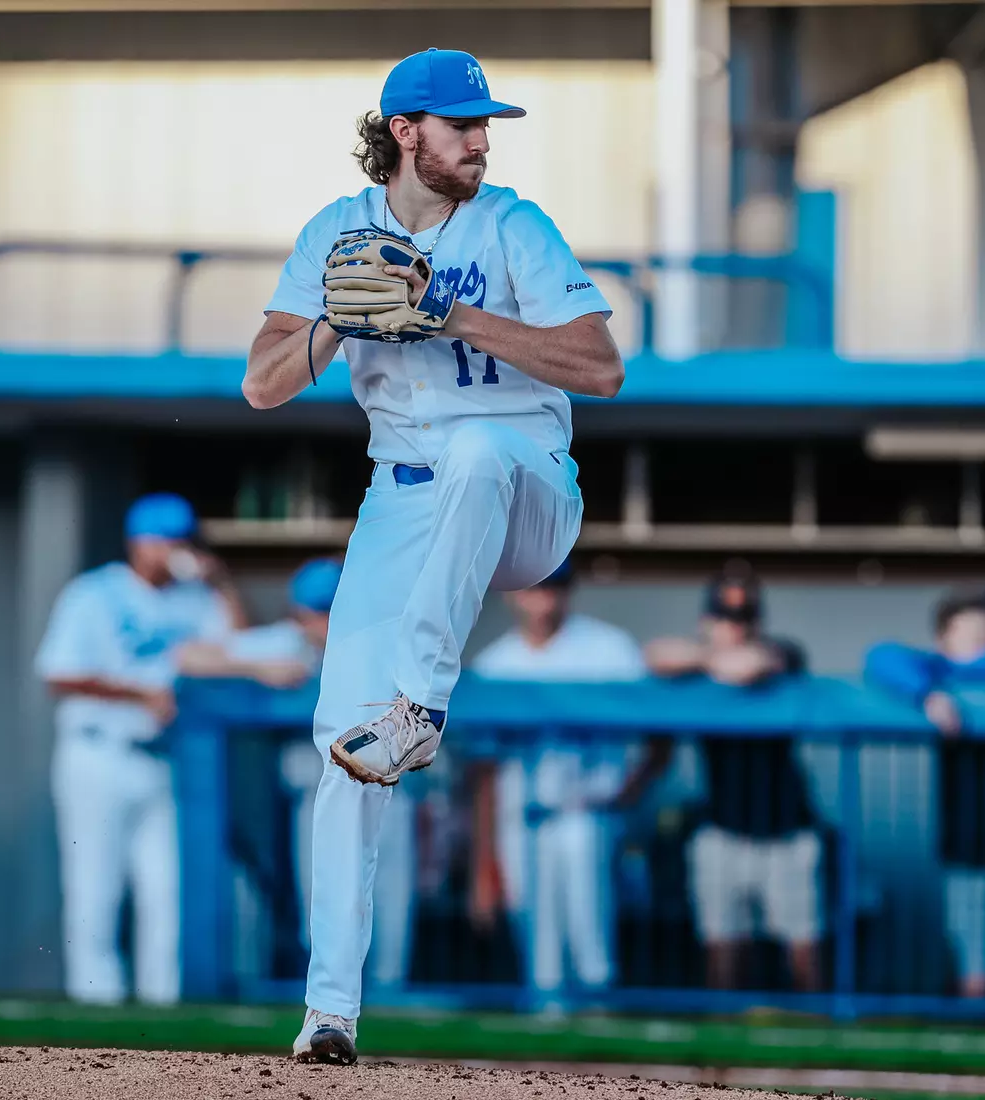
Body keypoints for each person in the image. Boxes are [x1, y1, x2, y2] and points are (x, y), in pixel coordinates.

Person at [242, 47, 622, 1062]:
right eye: (462, 124)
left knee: (476, 446)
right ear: (405, 131)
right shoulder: (336, 229)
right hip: (403, 501)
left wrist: (451, 313)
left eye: (485, 124)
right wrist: (334, 323)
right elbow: (262, 386)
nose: (481, 141)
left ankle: (423, 703)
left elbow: (601, 366)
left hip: (527, 487)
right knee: (342, 747)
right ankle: (329, 1014)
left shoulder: (514, 225)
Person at [35, 492, 245, 1006]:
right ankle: (94, 1004)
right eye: (162, 540)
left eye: (179, 541)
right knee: (95, 887)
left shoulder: (196, 597)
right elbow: (59, 675)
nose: (171, 550)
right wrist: (138, 693)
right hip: (98, 752)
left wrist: (219, 581)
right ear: (137, 543)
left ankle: (160, 1008)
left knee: (167, 888)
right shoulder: (94, 593)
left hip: (163, 759)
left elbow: (240, 647)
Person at [179, 557, 422, 993]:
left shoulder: (385, 642)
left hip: (390, 795)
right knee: (325, 915)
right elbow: (186, 657)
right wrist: (256, 668)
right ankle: (328, 1009)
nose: (326, 623)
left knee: (390, 925)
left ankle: (391, 1010)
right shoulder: (286, 644)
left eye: (335, 610)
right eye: (318, 612)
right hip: (317, 795)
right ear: (300, 614)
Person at [468, 558, 668, 1004]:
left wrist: (630, 791)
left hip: (589, 811)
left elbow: (660, 733)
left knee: (590, 937)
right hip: (521, 816)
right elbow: (484, 773)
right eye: (534, 587)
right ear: (513, 593)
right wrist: (483, 865)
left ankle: (598, 1009)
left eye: (553, 586)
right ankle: (549, 1026)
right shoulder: (495, 664)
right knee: (538, 954)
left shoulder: (609, 649)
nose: (543, 598)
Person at [864, 578, 985, 998]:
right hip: (965, 856)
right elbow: (880, 657)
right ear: (942, 639)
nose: (982, 646)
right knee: (975, 976)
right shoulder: (932, 679)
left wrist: (942, 677)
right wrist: (927, 693)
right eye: (969, 635)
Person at [645, 567, 822, 994]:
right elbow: (653, 654)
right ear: (707, 620)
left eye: (744, 618)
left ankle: (815, 1029)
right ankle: (724, 1035)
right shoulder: (701, 662)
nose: (736, 627)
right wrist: (710, 657)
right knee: (722, 951)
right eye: (725, 617)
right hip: (724, 828)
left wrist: (711, 659)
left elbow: (749, 666)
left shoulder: (783, 652)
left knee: (804, 952)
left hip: (787, 829)